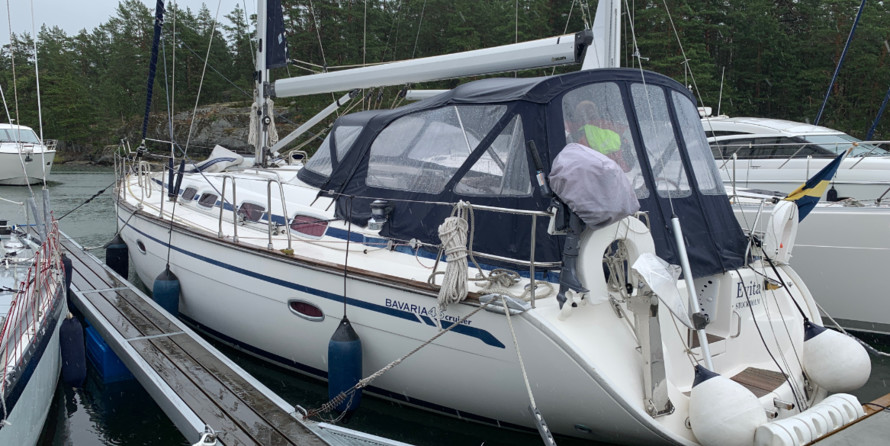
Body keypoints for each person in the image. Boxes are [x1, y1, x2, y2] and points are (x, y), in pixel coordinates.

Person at [568, 100, 629, 170]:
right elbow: (629, 164)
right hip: (616, 176)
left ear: (578, 117)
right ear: (596, 114)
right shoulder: (615, 131)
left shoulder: (573, 139)